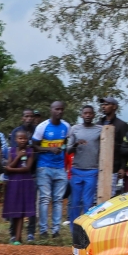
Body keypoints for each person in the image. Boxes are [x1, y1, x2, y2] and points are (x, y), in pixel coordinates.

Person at [32, 101, 70, 240]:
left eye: (61, 109)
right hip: (44, 167)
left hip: (60, 168)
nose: (59, 111)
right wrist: (49, 149)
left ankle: (56, 231)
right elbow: (34, 146)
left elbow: (66, 142)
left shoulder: (66, 126)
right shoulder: (42, 127)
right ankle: (43, 230)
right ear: (51, 110)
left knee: (58, 200)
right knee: (44, 199)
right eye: (56, 109)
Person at [66, 105, 102, 222]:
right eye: (85, 113)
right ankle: (74, 229)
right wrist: (76, 144)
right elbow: (68, 150)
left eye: (90, 113)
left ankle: (85, 229)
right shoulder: (75, 129)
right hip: (76, 170)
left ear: (93, 115)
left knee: (87, 202)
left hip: (92, 170)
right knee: (75, 202)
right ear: (81, 115)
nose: (87, 115)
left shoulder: (99, 129)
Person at [2, 130, 36, 244]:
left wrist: (11, 169)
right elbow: (9, 166)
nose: (22, 140)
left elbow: (27, 168)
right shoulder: (11, 151)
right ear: (16, 140)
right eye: (20, 138)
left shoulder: (30, 151)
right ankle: (17, 237)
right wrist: (18, 157)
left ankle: (17, 238)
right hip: (14, 183)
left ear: (27, 140)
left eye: (24, 138)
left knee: (21, 210)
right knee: (15, 209)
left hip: (25, 182)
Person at [98, 97, 128, 196]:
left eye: (107, 104)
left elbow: (124, 147)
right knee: (96, 195)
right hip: (97, 166)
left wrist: (122, 167)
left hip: (114, 167)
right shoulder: (98, 124)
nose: (103, 106)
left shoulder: (121, 125)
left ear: (114, 107)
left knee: (109, 195)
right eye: (102, 104)